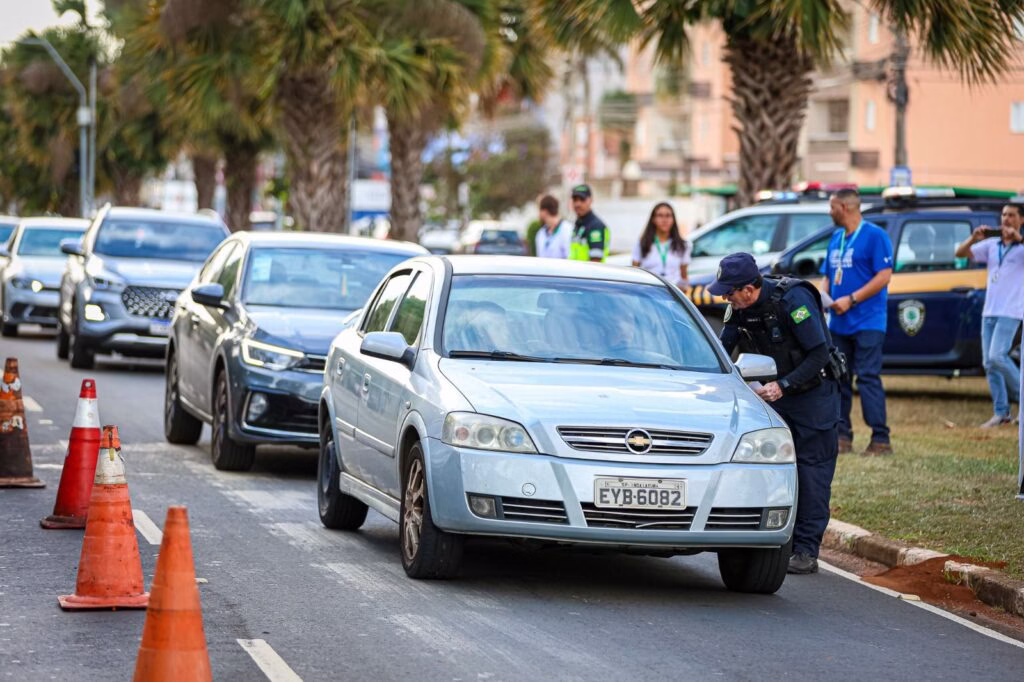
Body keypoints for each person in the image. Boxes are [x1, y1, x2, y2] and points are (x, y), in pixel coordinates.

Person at [710, 252, 842, 575]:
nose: (726, 297)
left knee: (812, 472)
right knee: (776, 470)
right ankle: (773, 538)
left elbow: (819, 353)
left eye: (729, 292)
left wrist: (783, 385)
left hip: (813, 395)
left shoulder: (793, 300)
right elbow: (723, 348)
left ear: (748, 289)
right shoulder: (739, 310)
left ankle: (806, 550)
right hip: (776, 396)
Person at [821, 188, 893, 456]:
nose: (830, 212)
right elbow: (828, 275)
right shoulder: (836, 237)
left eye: (832, 207)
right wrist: (824, 297)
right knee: (839, 379)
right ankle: (842, 436)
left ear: (845, 206)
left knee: (867, 378)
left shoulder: (875, 236)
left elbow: (884, 276)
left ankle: (880, 439)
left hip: (868, 321)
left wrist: (851, 299)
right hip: (838, 323)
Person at [954, 203, 1024, 427]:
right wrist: (973, 238)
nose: (1006, 219)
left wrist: (1019, 239)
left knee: (997, 357)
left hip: (1011, 311)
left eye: (1012, 215)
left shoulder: (1022, 248)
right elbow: (960, 253)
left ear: (1021, 220)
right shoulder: (993, 245)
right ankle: (1001, 412)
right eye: (1004, 215)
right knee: (989, 362)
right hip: (990, 311)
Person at [631, 202, 691, 289]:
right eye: (660, 215)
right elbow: (634, 274)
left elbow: (684, 276)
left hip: (672, 295)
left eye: (668, 216)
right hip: (648, 293)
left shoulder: (683, 245)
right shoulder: (642, 244)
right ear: (653, 219)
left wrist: (684, 292)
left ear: (673, 219)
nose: (664, 220)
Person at [568, 184, 609, 263]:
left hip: (588, 275)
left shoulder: (596, 226)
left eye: (582, 199)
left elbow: (595, 261)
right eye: (575, 200)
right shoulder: (579, 224)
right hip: (576, 273)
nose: (578, 204)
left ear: (590, 200)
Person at [535, 195, 571, 259]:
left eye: (539, 210)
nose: (538, 213)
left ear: (544, 211)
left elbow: (570, 257)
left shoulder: (567, 229)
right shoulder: (540, 234)